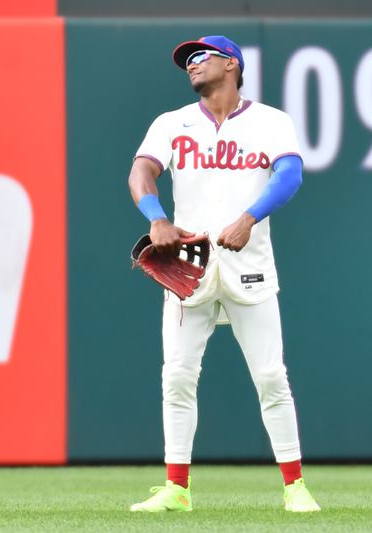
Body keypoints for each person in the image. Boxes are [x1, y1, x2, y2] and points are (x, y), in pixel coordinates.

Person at [127, 35, 320, 513]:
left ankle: (295, 488)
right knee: (177, 377)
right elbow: (141, 172)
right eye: (186, 61)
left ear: (230, 64)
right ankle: (177, 489)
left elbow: (290, 175)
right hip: (189, 269)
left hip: (248, 266)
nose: (191, 65)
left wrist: (249, 218)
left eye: (201, 56)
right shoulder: (172, 123)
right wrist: (157, 217)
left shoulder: (270, 121)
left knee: (271, 377)